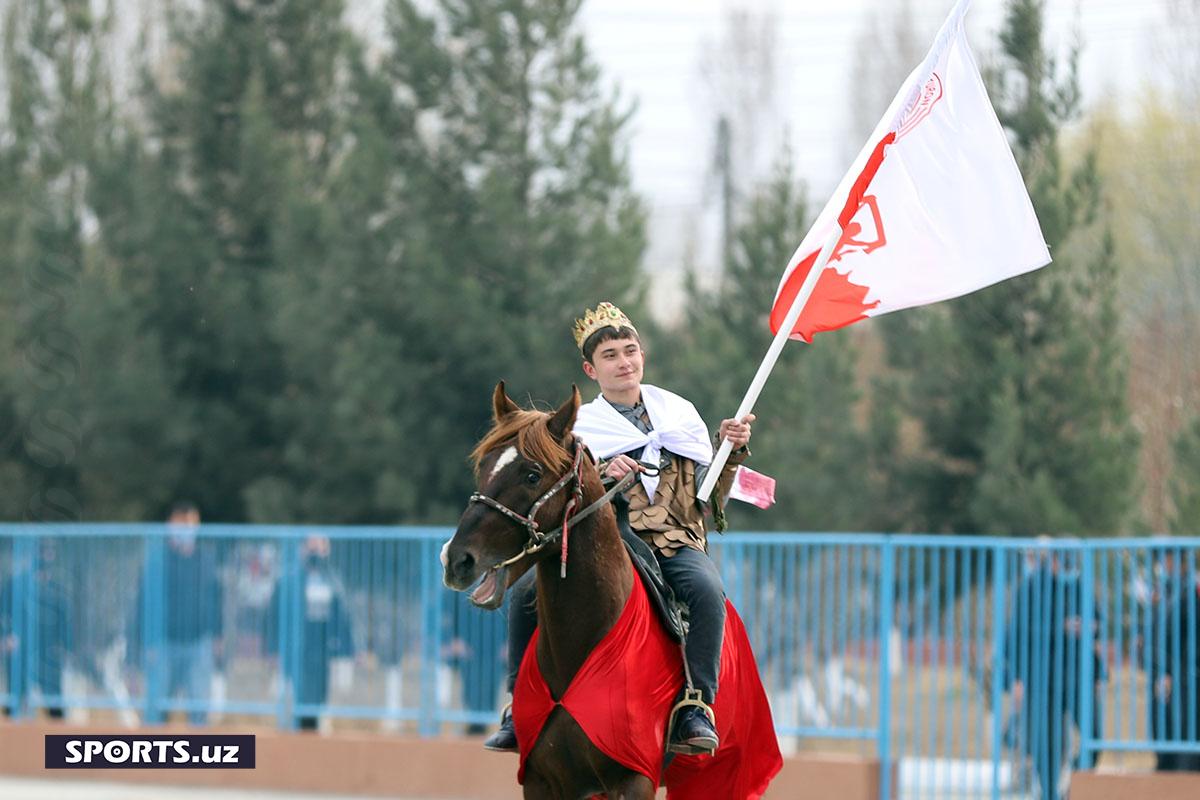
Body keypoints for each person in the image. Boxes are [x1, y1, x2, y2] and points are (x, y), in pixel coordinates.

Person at [484, 301, 753, 755]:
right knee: (526, 592)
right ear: (592, 369)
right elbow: (561, 495)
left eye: (630, 350)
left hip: (674, 541)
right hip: (610, 541)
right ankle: (518, 707)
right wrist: (602, 472)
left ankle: (696, 704)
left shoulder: (681, 415)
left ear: (642, 355)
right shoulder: (580, 428)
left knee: (708, 591)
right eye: (610, 355)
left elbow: (709, 500)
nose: (624, 362)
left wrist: (731, 451)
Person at [1002, 546, 1105, 799]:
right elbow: (1016, 634)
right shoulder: (1030, 588)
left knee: (1095, 736)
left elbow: (1098, 622)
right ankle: (1048, 793)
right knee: (1045, 744)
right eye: (1065, 564)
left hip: (1078, 677)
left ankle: (1074, 786)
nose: (1068, 570)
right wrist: (1061, 628)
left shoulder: (1080, 585)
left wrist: (1092, 627)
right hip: (1042, 678)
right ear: (1054, 561)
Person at [267, 534, 356, 731]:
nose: (316, 552)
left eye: (321, 547)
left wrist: (348, 650)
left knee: (319, 699)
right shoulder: (288, 580)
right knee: (293, 698)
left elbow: (343, 617)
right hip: (295, 648)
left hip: (322, 650)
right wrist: (273, 649)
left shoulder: (334, 581)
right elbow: (273, 616)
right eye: (312, 547)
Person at [1147, 549, 1200, 772]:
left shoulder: (1186, 590)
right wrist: (1165, 671)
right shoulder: (1178, 592)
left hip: (1184, 671)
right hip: (1182, 672)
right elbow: (1166, 634)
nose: (1165, 565)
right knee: (1178, 731)